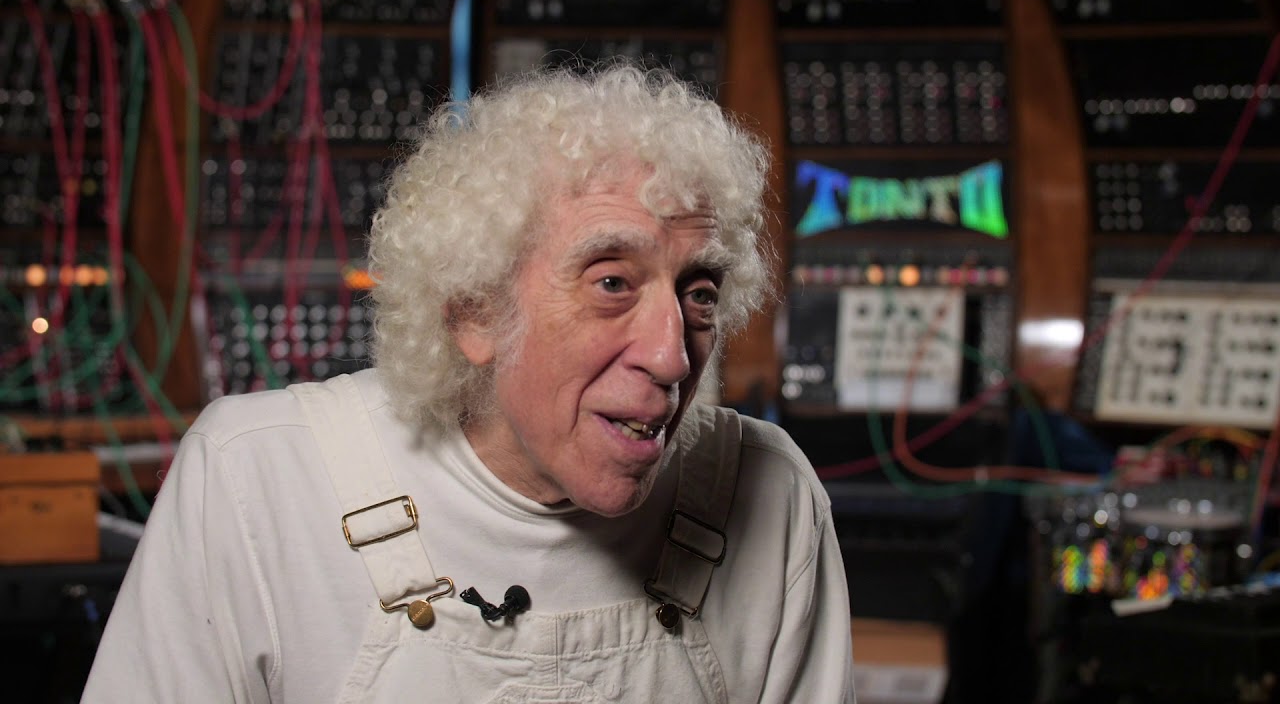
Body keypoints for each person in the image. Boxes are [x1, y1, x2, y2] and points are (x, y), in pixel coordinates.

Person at [82, 63, 855, 702]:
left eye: (700, 294)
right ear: (474, 312)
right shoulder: (254, 480)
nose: (672, 358)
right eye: (612, 283)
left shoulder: (773, 493)